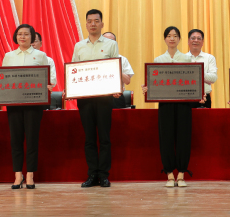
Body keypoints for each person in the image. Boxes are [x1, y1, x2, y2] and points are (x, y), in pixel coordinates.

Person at [73, 10, 130, 188]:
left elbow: (114, 68)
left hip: (105, 97)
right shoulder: (79, 46)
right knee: (89, 138)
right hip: (85, 98)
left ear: (102, 24)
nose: (93, 24)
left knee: (104, 137)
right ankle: (92, 174)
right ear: (86, 24)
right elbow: (74, 70)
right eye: (89, 21)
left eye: (96, 21)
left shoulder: (111, 45)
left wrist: (116, 88)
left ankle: (104, 175)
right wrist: (70, 90)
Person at [2, 24, 57, 190]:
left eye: (26, 34)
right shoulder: (9, 56)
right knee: (16, 139)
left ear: (32, 37)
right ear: (16, 37)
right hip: (14, 103)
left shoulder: (41, 55)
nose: (23, 37)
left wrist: (48, 85)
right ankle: (18, 175)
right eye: (20, 34)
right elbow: (3, 78)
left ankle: (31, 175)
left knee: (32, 139)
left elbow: (50, 79)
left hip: (34, 103)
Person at [142, 27, 193, 187]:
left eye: (175, 36)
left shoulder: (186, 59)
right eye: (169, 36)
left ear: (179, 39)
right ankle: (170, 174)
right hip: (165, 104)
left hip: (183, 103)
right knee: (166, 137)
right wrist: (148, 88)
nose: (172, 38)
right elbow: (155, 81)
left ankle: (182, 174)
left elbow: (193, 79)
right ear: (165, 39)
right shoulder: (158, 60)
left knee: (183, 136)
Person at [186, 29, 218, 108]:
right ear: (188, 41)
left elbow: (213, 78)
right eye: (193, 38)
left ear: (202, 42)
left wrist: (198, 72)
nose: (196, 40)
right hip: (186, 97)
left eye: (199, 38)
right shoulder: (182, 58)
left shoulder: (209, 58)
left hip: (204, 98)